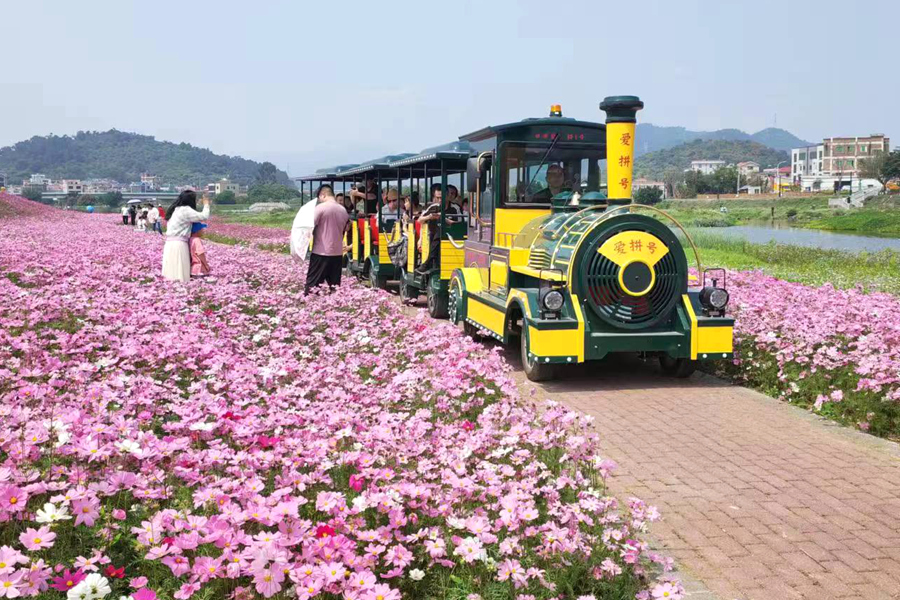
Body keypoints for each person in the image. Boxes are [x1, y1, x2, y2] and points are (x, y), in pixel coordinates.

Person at [306, 184, 349, 294]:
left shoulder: (320, 208)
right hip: (337, 254)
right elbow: (346, 229)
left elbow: (309, 226)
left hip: (321, 252)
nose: (320, 200)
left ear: (323, 195)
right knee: (335, 288)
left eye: (319, 198)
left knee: (312, 288)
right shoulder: (343, 210)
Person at [161, 190, 210, 283]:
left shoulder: (176, 209)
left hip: (169, 244)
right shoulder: (185, 210)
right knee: (180, 272)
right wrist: (206, 204)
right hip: (179, 244)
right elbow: (204, 216)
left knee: (171, 271)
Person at [416, 183, 461, 275]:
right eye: (437, 198)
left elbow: (461, 223)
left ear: (448, 196)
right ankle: (431, 260)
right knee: (439, 232)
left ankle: (428, 261)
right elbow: (419, 220)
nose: (440, 200)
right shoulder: (433, 207)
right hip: (433, 237)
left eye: (442, 197)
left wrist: (446, 220)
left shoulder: (455, 208)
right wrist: (429, 217)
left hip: (451, 237)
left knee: (442, 229)